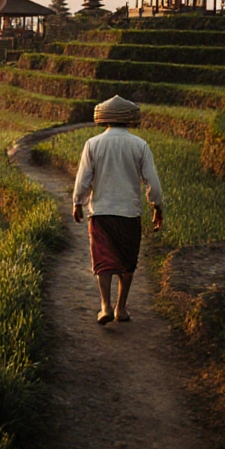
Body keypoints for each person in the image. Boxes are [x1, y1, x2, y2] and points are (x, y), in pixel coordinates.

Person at [72, 95, 164, 325]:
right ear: (129, 120)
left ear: (104, 120)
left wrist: (78, 202)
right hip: (129, 213)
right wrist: (157, 206)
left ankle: (104, 306)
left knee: (103, 260)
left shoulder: (93, 144)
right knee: (126, 260)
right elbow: (152, 180)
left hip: (101, 212)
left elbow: (83, 179)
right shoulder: (140, 145)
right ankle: (121, 308)